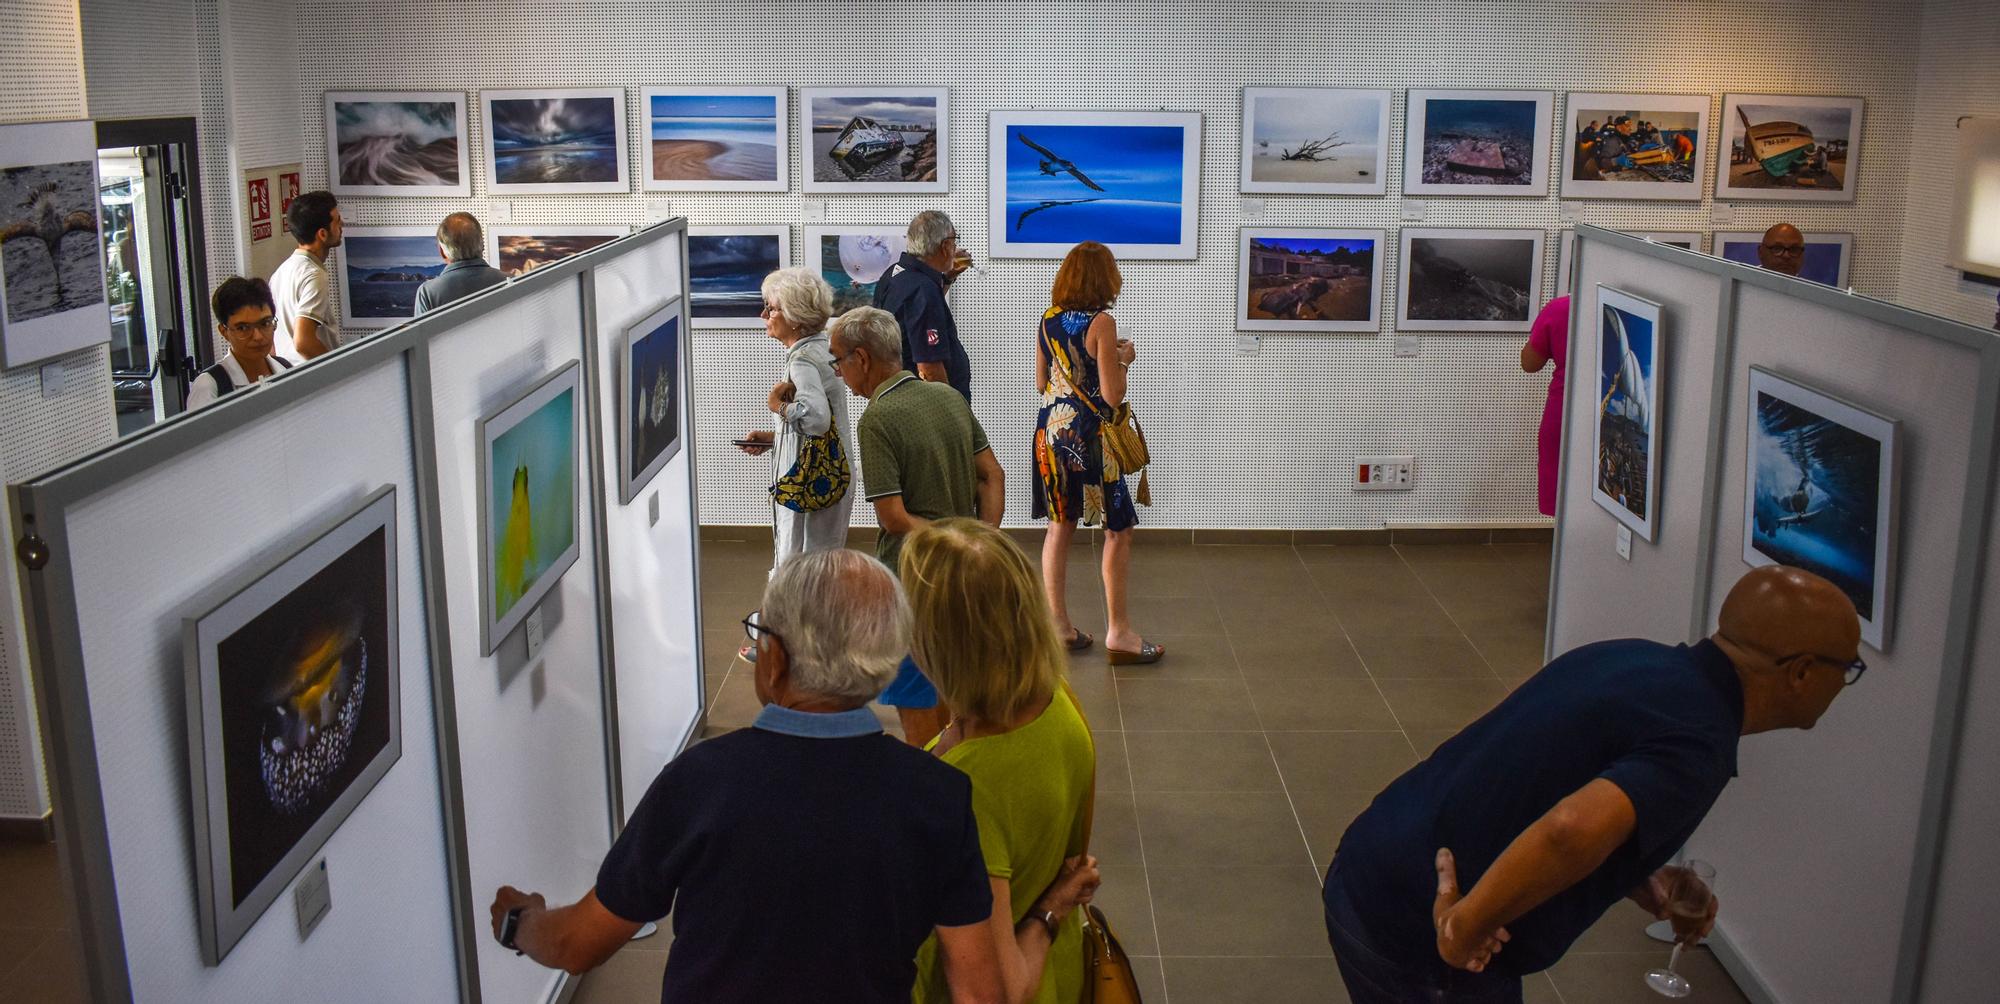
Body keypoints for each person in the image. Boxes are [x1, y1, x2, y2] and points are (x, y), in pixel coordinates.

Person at [1322, 565, 1864, 1002]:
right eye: (1848, 668)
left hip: (1375, 859)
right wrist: (1461, 931)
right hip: (1414, 929)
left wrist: (1635, 875)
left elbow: (1542, 782)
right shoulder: (1701, 744)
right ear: (1800, 672)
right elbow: (1568, 828)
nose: (1844, 683)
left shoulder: (1635, 659)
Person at [486, 549, 1005, 1004]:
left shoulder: (699, 781)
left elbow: (578, 944)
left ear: (773, 658)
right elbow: (980, 992)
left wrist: (521, 923)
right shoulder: (939, 794)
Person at [903, 519, 1101, 1004]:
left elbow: (993, 993)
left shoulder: (969, 786)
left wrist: (1053, 907)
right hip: (1059, 974)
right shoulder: (1057, 698)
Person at [831, 305, 1004, 745]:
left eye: (838, 360)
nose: (838, 372)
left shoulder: (877, 419)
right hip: (961, 574)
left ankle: (929, 793)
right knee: (955, 683)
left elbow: (892, 517)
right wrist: (977, 538)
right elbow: (992, 475)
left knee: (917, 703)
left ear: (862, 359)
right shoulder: (947, 396)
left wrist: (948, 540)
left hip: (911, 578)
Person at [1033, 242, 1160, 665]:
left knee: (1059, 526)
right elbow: (1112, 394)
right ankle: (1119, 632)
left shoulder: (1047, 320)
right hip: (1089, 438)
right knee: (1118, 530)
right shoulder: (1102, 322)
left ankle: (1059, 627)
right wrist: (1124, 359)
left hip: (1051, 435)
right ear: (1104, 279)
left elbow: (1041, 384)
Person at [737, 267, 851, 571]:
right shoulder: (822, 350)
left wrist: (778, 406)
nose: (764, 315)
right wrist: (777, 439)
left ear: (795, 318)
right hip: (830, 474)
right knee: (822, 565)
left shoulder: (802, 361)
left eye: (771, 309)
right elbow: (823, 424)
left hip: (810, 484)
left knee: (799, 570)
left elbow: (816, 421)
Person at [874, 210, 973, 400]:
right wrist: (950, 412)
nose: (955, 247)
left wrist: (948, 278)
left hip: (899, 397)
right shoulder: (923, 290)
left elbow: (918, 314)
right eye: (954, 240)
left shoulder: (894, 274)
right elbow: (929, 368)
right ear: (945, 246)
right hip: (924, 408)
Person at [185, 277, 292, 411]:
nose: (258, 337)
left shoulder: (286, 368)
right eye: (243, 328)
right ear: (224, 331)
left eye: (265, 323)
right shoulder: (210, 386)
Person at [270, 190, 342, 362]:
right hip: (312, 378)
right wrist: (337, 369)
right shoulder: (314, 275)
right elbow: (303, 342)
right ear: (322, 234)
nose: (342, 225)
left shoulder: (280, 272)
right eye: (337, 221)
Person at [1522, 295, 1570, 518]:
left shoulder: (1562, 307)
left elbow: (1529, 363)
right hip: (1613, 413)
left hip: (1564, 409)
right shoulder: (1622, 307)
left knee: (1562, 490)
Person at [413, 212, 505, 314]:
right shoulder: (509, 281)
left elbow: (423, 330)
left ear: (442, 252)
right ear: (482, 245)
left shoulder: (428, 293)